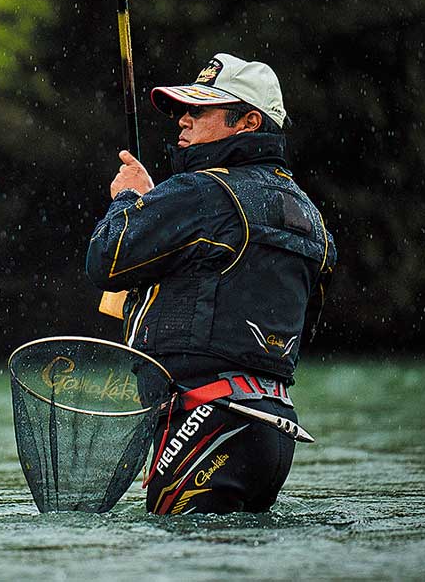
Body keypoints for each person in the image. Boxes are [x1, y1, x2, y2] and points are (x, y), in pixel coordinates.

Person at [86, 53, 336, 515]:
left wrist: (129, 198)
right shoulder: (312, 219)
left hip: (206, 421)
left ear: (248, 121)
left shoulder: (200, 192)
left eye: (200, 110)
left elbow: (107, 257)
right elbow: (302, 330)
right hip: (274, 430)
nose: (184, 119)